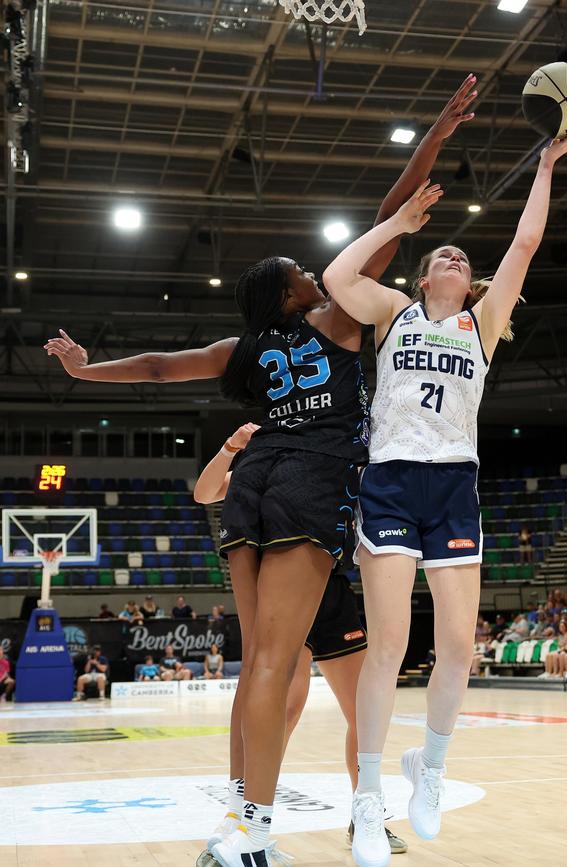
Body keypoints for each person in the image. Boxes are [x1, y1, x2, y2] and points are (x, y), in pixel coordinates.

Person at [44, 76, 480, 867]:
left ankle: (255, 823)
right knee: (289, 670)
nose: (312, 270)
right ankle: (255, 833)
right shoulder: (335, 315)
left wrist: (83, 372)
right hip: (314, 483)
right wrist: (435, 140)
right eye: (296, 269)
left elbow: (155, 367)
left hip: (254, 487)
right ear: (288, 292)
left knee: (263, 669)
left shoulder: (241, 349)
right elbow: (389, 213)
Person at [322, 117, 567, 866]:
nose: (450, 251)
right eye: (439, 249)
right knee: (388, 649)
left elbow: (526, 245)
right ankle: (369, 800)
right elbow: (336, 280)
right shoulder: (392, 314)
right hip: (390, 482)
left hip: (454, 487)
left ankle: (429, 770)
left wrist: (544, 166)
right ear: (420, 276)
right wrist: (398, 225)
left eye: (459, 254)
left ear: (467, 283)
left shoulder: (483, 321)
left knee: (457, 649)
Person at [194, 422, 407, 859]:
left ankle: (365, 811)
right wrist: (232, 446)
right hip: (281, 591)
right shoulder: (270, 468)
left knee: (363, 711)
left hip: (330, 590)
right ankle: (246, 816)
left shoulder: (344, 463)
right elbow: (205, 491)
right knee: (285, 704)